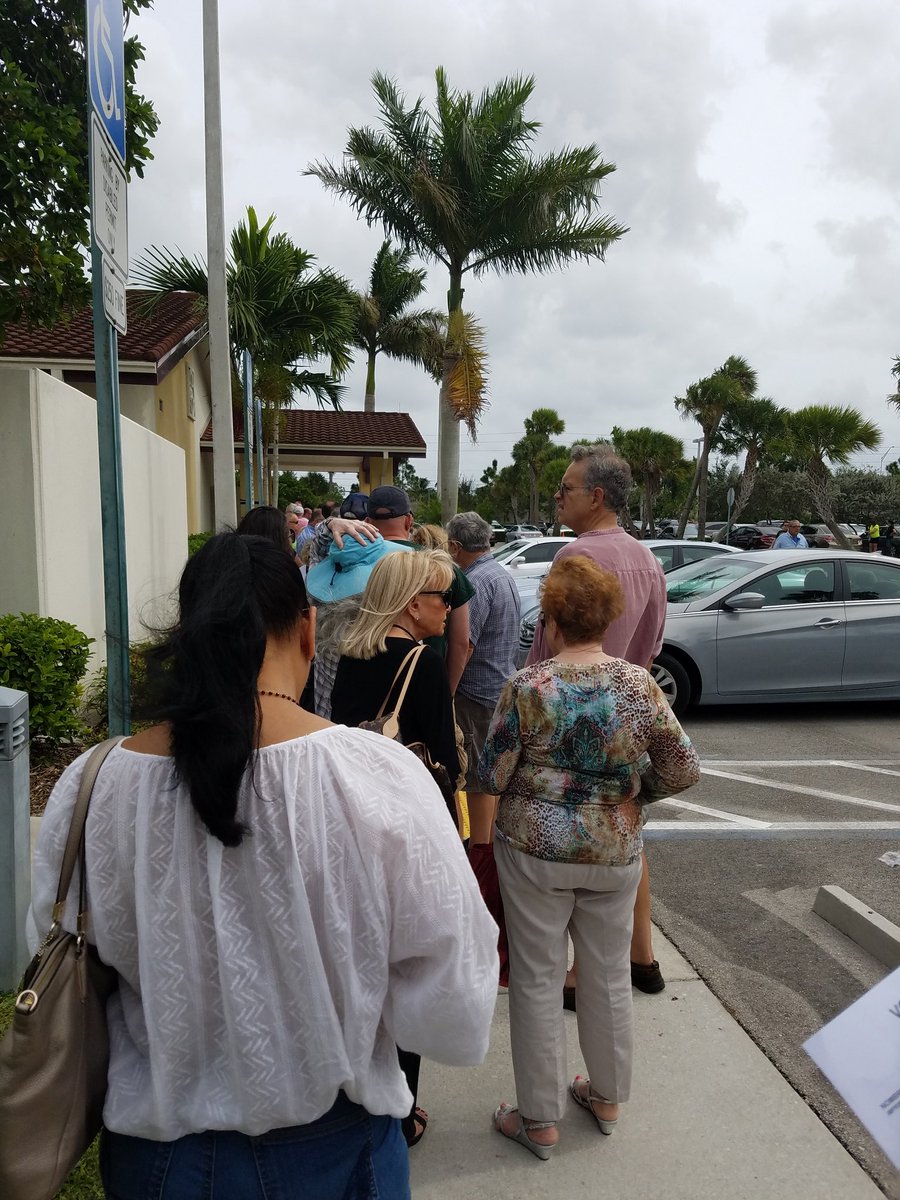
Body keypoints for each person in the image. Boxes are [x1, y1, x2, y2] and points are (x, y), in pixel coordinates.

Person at [28, 533, 497, 1200]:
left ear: (184, 637)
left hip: (153, 1158)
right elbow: (455, 994)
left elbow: (54, 945)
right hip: (335, 1150)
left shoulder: (93, 781)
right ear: (308, 629)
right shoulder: (374, 775)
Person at [481, 557, 700, 1158]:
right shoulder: (639, 684)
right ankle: (606, 1097)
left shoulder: (529, 687)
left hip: (534, 848)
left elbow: (492, 773)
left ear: (550, 621)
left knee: (536, 977)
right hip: (614, 845)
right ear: (608, 618)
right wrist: (631, 795)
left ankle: (539, 1118)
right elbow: (684, 768)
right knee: (606, 975)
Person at [331, 547, 464, 1148]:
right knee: (407, 968)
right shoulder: (422, 662)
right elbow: (441, 756)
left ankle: (356, 1085)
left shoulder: (350, 650)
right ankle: (402, 1106)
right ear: (415, 605)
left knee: (359, 965)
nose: (448, 610)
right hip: (407, 829)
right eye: (441, 598)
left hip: (352, 818)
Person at [526, 444, 668, 998]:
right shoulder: (648, 559)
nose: (559, 496)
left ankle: (579, 972)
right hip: (625, 717)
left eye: (566, 488)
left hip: (567, 722)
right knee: (626, 835)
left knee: (566, 847)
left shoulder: (573, 557)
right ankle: (644, 957)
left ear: (597, 496)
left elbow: (546, 649)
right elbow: (652, 644)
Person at [306, 533, 411, 719]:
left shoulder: (320, 622)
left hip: (326, 727)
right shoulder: (386, 642)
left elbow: (316, 548)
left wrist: (330, 525)